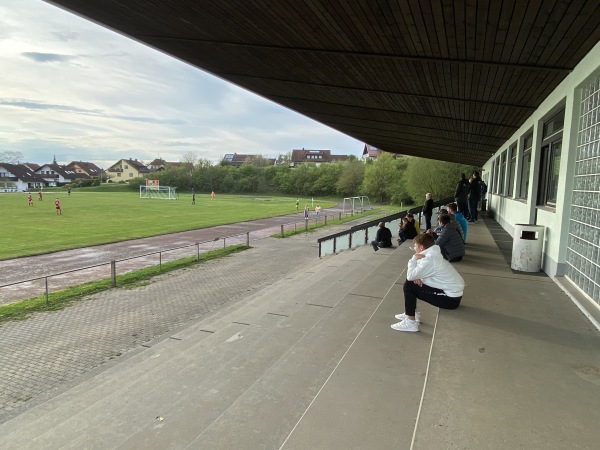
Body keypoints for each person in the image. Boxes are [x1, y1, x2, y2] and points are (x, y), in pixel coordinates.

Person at [391, 233, 464, 332]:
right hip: (450, 293)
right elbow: (419, 273)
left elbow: (410, 276)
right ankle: (410, 312)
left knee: (409, 286)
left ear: (421, 247)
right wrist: (418, 276)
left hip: (450, 300)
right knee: (412, 283)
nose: (414, 248)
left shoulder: (430, 258)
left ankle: (411, 323)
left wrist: (413, 259)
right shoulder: (432, 253)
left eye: (415, 246)